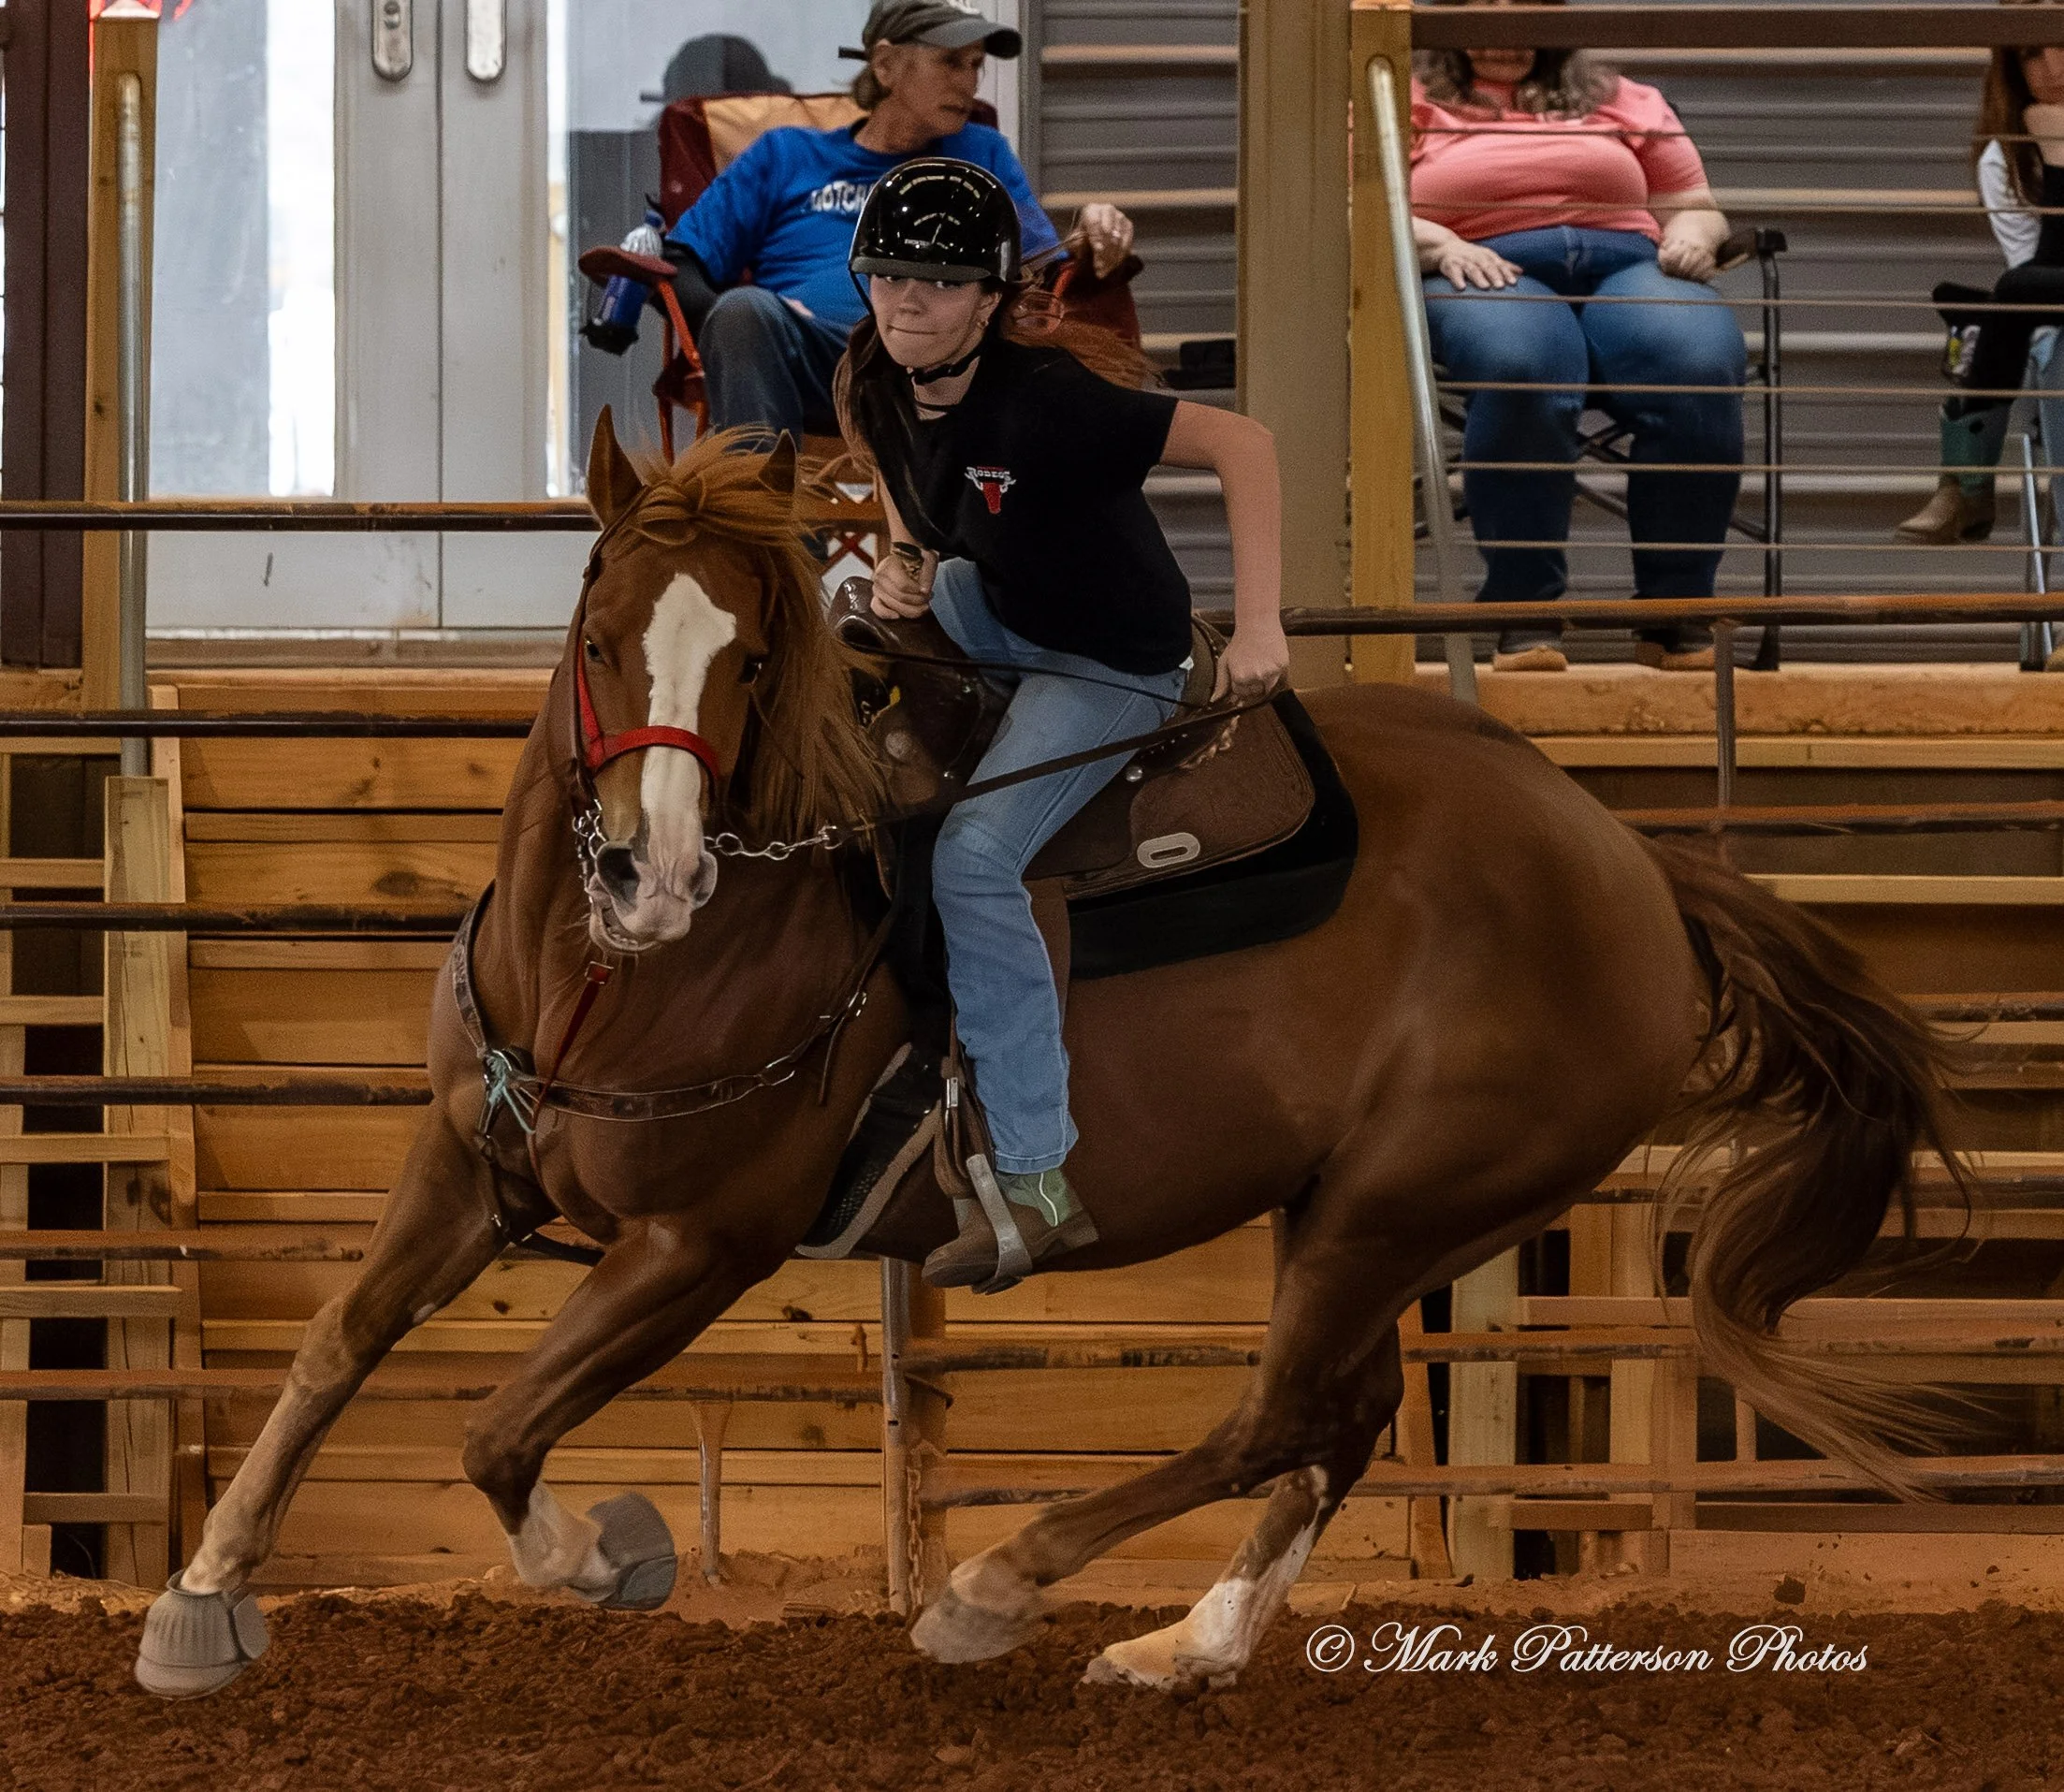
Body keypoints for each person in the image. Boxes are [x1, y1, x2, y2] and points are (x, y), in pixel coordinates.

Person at [835, 159, 1287, 1288]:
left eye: (940, 283)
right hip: (993, 606)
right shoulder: (875, 374)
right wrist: (901, 561)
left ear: (991, 298)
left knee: (976, 858)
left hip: (1112, 659)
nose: (906, 300)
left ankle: (1038, 1181)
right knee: (837, 637)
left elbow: (1244, 444)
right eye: (887, 274)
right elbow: (905, 479)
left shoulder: (1050, 401)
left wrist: (1262, 625)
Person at [1411, 0, 1746, 672]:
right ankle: (1523, 616)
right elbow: (1362, 208)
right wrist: (1441, 244)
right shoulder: (1403, 98)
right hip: (1481, 260)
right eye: (1486, 10)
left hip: (1629, 263)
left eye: (1525, 8)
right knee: (1523, 367)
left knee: (1699, 365)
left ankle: (1675, 616)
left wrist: (1691, 234)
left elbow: (1694, 204)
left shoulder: (1623, 96)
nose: (1506, 31)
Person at [657, 0, 1136, 443]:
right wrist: (746, 324)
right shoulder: (785, 155)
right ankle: (761, 507)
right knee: (744, 311)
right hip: (815, 360)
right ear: (886, 64)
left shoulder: (980, 155)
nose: (969, 83)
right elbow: (679, 263)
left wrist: (1091, 234)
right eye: (951, 62)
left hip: (943, 363)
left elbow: (1041, 271)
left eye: (975, 65)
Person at [1896, 22, 2064, 545]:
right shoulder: (2005, 158)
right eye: (2032, 53)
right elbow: (2047, 289)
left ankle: (1967, 484)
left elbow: (2031, 286)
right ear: (2011, 67)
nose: (2054, 68)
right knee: (2048, 336)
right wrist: (2057, 156)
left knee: (2013, 292)